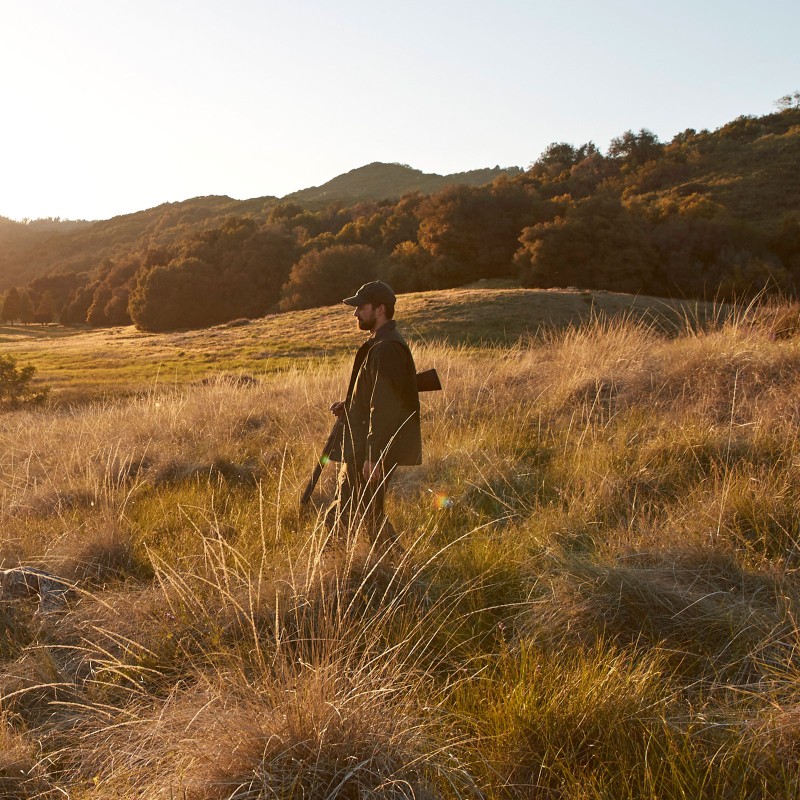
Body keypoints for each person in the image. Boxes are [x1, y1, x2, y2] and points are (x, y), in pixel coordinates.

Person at [326, 280, 422, 544]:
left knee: (348, 514)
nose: (355, 313)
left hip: (370, 449)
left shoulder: (387, 348)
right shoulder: (380, 344)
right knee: (367, 514)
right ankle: (397, 569)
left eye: (361, 307)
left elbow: (385, 406)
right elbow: (376, 394)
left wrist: (374, 454)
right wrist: (351, 405)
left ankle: (333, 573)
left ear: (380, 309)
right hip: (366, 444)